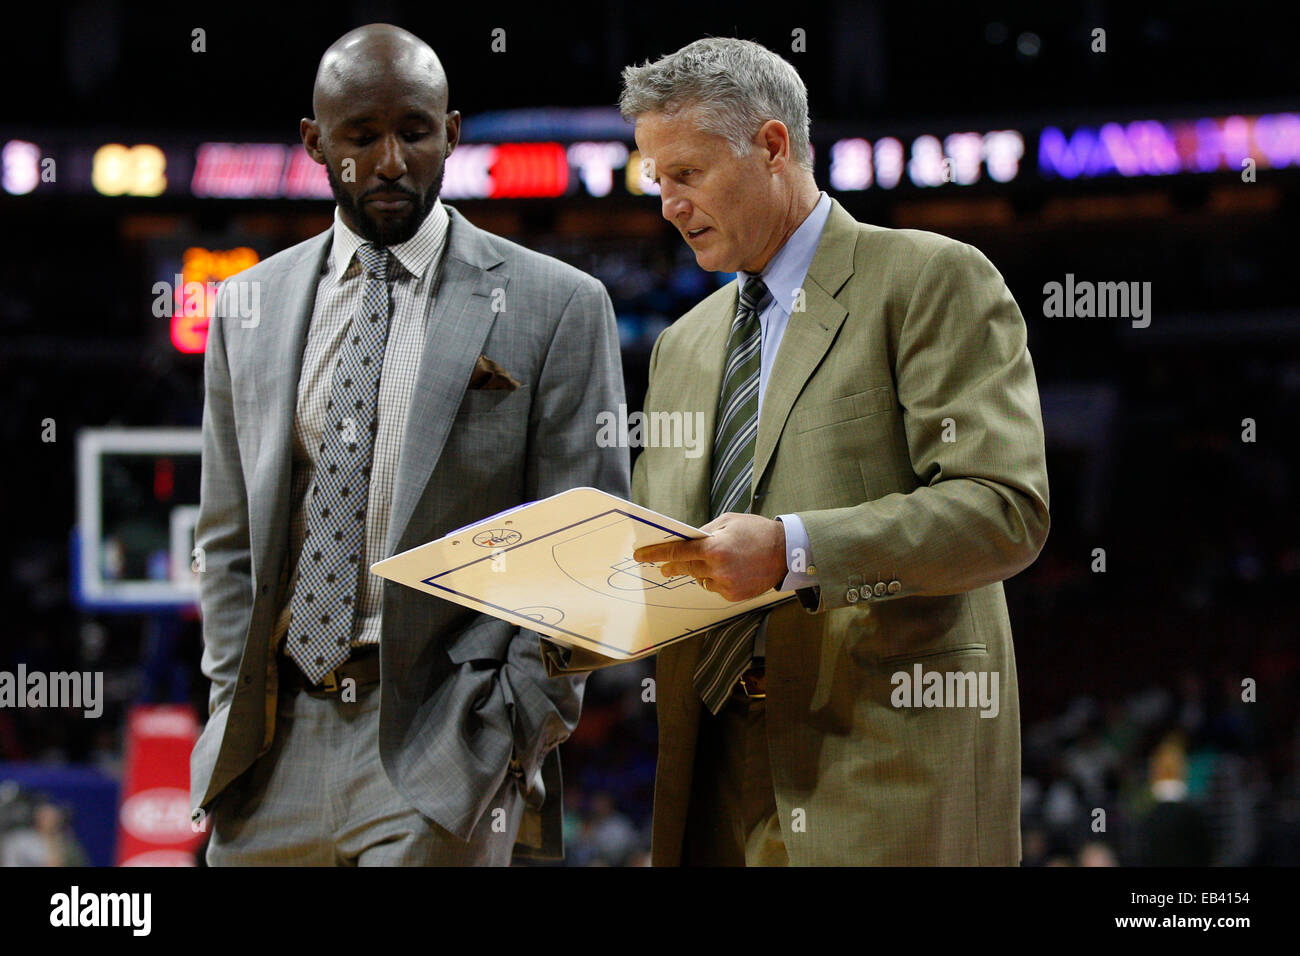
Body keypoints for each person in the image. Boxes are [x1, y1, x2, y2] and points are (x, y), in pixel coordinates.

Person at [190, 23, 628, 865]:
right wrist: (226, 708)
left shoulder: (558, 304)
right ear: (316, 143)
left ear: (452, 134)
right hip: (271, 747)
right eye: (361, 136)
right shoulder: (248, 306)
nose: (390, 160)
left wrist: (508, 735)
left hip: (440, 747)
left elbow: (586, 554)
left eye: (415, 132)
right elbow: (227, 541)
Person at [617, 37, 1049, 865]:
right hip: (709, 775)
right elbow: (668, 558)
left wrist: (792, 550)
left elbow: (1005, 511)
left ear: (773, 147)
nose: (668, 204)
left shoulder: (928, 278)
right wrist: (572, 616)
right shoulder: (681, 345)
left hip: (882, 765)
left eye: (687, 174)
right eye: (657, 180)